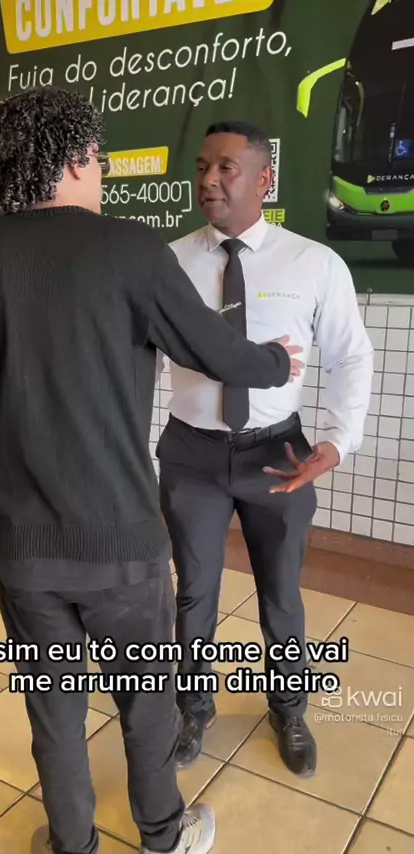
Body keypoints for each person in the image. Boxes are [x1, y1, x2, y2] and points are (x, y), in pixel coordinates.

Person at [0, 91, 304, 854]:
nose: (100, 171)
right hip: (123, 545)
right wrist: (276, 361)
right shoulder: (132, 250)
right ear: (73, 159)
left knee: (55, 711)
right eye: (97, 159)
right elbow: (217, 351)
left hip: (22, 547)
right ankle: (163, 836)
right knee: (145, 703)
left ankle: (70, 843)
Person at [156, 120, 374, 776]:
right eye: (202, 167)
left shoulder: (314, 263)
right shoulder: (166, 263)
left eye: (225, 167)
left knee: (281, 592)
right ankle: (193, 708)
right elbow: (140, 359)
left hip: (277, 454)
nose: (208, 180)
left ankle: (289, 708)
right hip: (191, 455)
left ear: (264, 179)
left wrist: (338, 440)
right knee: (194, 591)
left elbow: (350, 356)